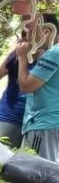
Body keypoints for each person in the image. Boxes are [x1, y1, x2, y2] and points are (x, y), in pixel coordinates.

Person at [18, 13, 59, 159]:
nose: (26, 37)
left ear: (46, 32)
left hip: (43, 125)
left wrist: (22, 57)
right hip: (50, 123)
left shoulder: (53, 54)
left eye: (29, 32)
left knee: (36, 173)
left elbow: (26, 86)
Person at [0, 34, 30, 148]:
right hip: (10, 115)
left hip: (36, 121)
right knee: (4, 160)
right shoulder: (16, 55)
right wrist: (11, 50)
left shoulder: (50, 55)